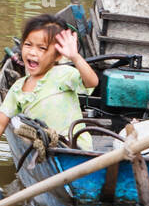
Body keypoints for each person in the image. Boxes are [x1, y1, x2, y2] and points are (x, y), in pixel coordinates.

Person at [0, 15, 98, 149]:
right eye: (28, 45)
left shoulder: (64, 74)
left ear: (57, 56)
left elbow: (92, 82)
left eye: (42, 48)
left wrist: (75, 57)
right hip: (43, 147)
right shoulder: (18, 88)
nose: (33, 52)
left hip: (76, 146)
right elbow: (2, 122)